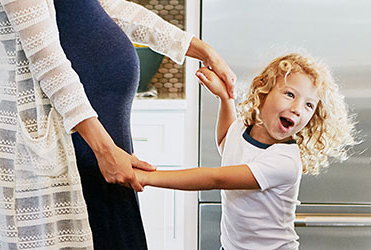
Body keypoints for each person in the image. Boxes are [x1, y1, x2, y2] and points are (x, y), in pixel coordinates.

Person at [0, 0, 238, 249]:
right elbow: (46, 58)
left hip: (100, 131)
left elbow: (105, 7)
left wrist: (201, 49)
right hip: (74, 136)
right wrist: (105, 150)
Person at [134, 53, 358, 250]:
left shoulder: (285, 161)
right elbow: (226, 142)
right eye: (290, 94)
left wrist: (147, 177)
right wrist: (225, 98)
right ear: (263, 93)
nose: (297, 108)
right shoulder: (243, 128)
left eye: (309, 105)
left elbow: (216, 178)